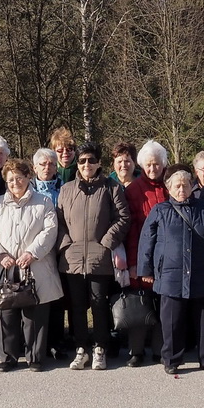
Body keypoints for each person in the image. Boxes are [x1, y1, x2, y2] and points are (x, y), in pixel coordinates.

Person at [138, 164, 204, 374]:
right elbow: (147, 242)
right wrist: (146, 270)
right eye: (177, 186)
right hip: (170, 274)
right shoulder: (160, 211)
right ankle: (171, 359)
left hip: (203, 273)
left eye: (186, 185)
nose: (182, 190)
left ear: (192, 187)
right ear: (169, 188)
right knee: (171, 321)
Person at [0, 158, 63, 371]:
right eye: (10, 179)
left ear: (28, 177)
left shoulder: (43, 202)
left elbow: (49, 231)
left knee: (34, 314)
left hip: (36, 266)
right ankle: (7, 358)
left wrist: (32, 253)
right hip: (5, 268)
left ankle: (35, 357)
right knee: (6, 312)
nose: (15, 182)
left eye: (19, 178)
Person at [57, 141, 130, 371]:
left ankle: (100, 348)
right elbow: (57, 221)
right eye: (82, 160)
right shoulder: (66, 189)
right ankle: (81, 348)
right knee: (76, 306)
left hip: (101, 257)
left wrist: (106, 243)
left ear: (99, 163)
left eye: (91, 160)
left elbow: (123, 217)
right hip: (73, 259)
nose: (87, 164)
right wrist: (67, 245)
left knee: (99, 304)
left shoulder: (111, 188)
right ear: (77, 164)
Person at [122, 140, 170, 365]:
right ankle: (136, 351)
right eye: (149, 165)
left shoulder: (170, 186)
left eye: (157, 164)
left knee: (163, 305)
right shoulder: (133, 190)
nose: (153, 169)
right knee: (139, 304)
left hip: (167, 257)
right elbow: (131, 230)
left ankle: (161, 350)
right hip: (142, 254)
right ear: (142, 165)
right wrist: (133, 263)